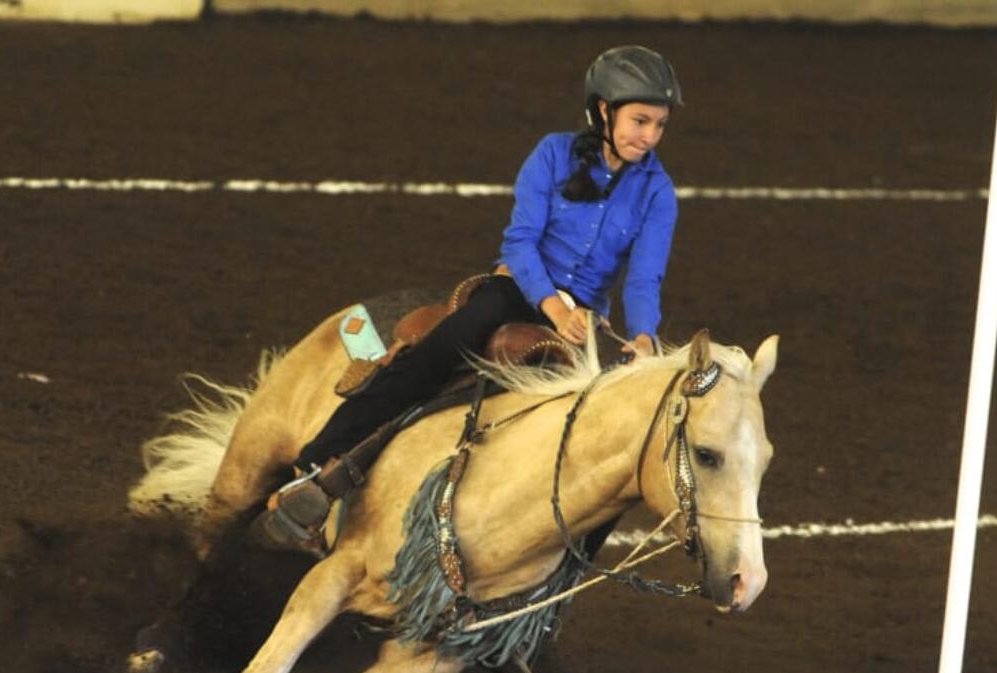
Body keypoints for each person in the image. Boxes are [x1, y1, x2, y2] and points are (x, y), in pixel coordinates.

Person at [259, 44, 684, 552]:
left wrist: (641, 337)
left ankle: (571, 564)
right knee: (440, 350)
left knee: (622, 438)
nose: (650, 136)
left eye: (659, 125)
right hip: (522, 290)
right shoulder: (552, 153)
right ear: (602, 111)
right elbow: (521, 243)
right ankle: (314, 463)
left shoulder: (658, 192)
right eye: (640, 121)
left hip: (586, 320)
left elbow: (644, 279)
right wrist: (552, 307)